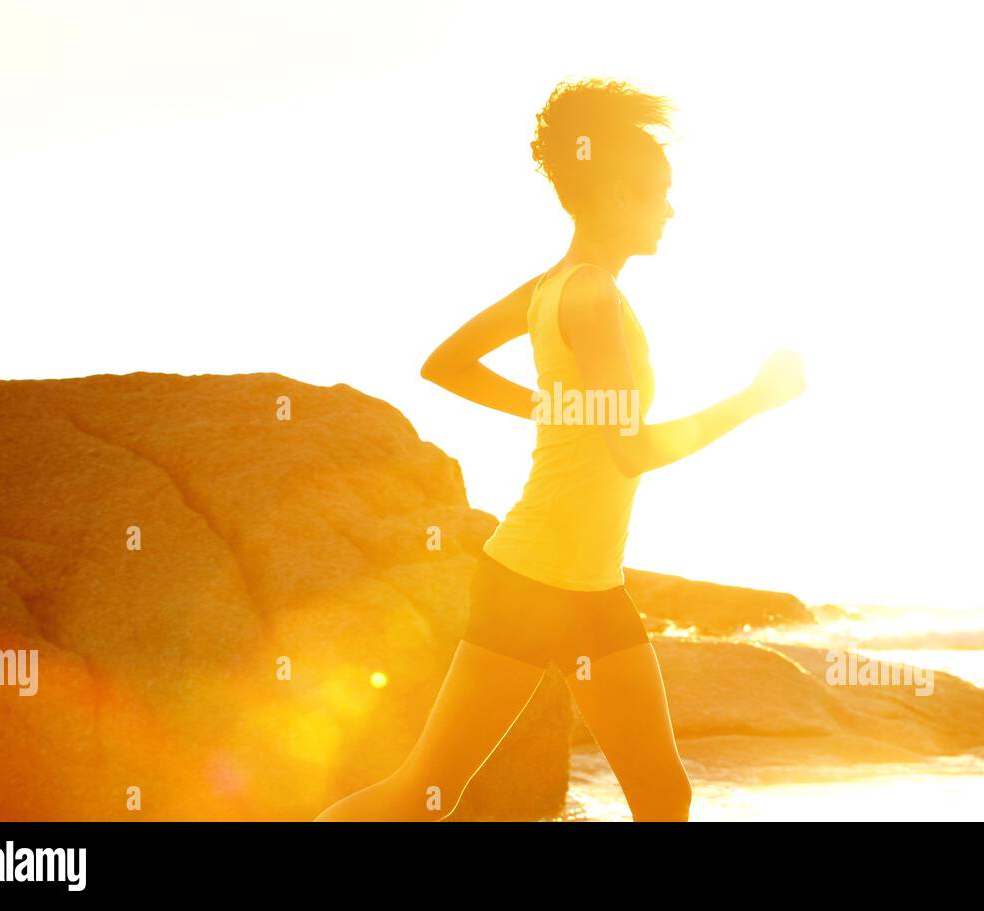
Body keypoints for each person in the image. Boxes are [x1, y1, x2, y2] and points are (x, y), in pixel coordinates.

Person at [315, 78, 804, 823]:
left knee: (662, 795)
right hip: (538, 582)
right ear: (616, 193)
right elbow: (630, 450)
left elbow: (446, 362)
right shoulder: (591, 298)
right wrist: (753, 399)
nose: (671, 208)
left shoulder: (555, 288)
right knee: (426, 794)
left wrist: (549, 405)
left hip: (588, 587)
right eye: (659, 193)